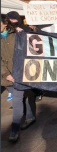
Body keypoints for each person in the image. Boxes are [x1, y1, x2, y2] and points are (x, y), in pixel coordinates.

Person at [1, 11, 36, 142]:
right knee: (20, 98)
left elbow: (31, 48)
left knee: (16, 100)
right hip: (5, 76)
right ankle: (30, 116)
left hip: (19, 73)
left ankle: (14, 129)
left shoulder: (17, 33)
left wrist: (26, 34)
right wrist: (5, 74)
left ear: (5, 23)